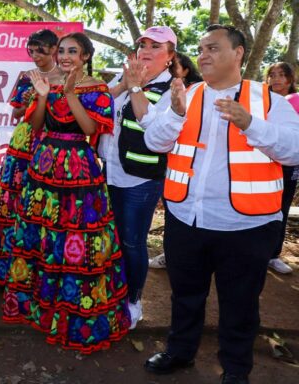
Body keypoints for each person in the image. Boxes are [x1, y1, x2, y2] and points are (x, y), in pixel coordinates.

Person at [143, 25, 299, 384]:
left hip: (247, 226)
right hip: (186, 219)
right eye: (201, 49)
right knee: (185, 296)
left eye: (213, 48)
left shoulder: (269, 101)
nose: (203, 56)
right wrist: (176, 115)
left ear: (239, 53)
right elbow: (154, 142)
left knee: (240, 304)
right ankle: (179, 352)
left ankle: (235, 370)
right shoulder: (185, 94)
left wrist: (251, 124)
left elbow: (293, 150)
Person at [3, 32, 131, 353]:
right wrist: (44, 96)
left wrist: (71, 93)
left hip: (79, 168)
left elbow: (90, 130)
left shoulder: (98, 89)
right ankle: (41, 309)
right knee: (44, 235)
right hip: (44, 165)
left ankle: (73, 314)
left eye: (73, 51)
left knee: (76, 238)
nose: (65, 56)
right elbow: (35, 126)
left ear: (86, 56)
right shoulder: (48, 84)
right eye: (62, 51)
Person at [99, 26, 176, 330]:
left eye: (155, 46)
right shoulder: (123, 76)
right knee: (111, 237)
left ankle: (133, 300)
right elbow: (98, 103)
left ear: (169, 57)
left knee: (132, 241)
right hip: (109, 172)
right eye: (143, 44)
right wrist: (124, 84)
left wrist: (135, 88)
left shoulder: (174, 91)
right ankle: (113, 292)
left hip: (140, 181)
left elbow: (157, 133)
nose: (145, 50)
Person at [0, 29, 63, 285]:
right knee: (15, 201)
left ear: (54, 50)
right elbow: (15, 115)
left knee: (42, 203)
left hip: (51, 142)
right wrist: (35, 99)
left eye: (41, 50)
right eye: (32, 50)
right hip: (24, 142)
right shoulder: (27, 77)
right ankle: (5, 269)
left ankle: (38, 271)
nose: (36, 56)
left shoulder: (67, 78)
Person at [148, 51, 203, 271]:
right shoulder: (167, 91)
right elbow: (155, 137)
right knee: (174, 220)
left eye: (174, 66)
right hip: (173, 173)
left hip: (198, 176)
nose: (169, 70)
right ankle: (170, 256)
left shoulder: (200, 93)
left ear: (186, 70)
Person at [265, 62, 297, 274]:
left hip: (288, 165)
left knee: (282, 207)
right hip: (263, 163)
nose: (276, 79)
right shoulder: (260, 101)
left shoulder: (295, 100)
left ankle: (273, 255)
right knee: (261, 207)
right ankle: (256, 251)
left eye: (281, 75)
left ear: (290, 79)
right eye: (272, 75)